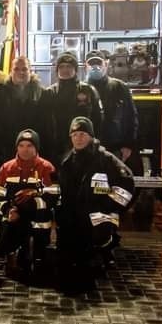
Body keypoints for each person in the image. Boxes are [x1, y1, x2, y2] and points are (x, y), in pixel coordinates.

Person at [57, 117, 135, 291]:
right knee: (67, 254)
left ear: (91, 136)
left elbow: (127, 181)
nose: (78, 138)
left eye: (83, 134)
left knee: (98, 239)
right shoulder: (67, 160)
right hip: (76, 215)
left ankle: (106, 248)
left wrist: (110, 207)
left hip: (99, 213)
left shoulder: (105, 159)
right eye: (75, 134)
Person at [0, 129, 56, 278]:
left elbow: (54, 197)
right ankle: (14, 248)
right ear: (16, 147)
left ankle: (36, 250)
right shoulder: (6, 169)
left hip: (38, 219)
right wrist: (8, 211)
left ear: (36, 148)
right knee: (1, 247)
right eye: (21, 145)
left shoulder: (48, 168)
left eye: (29, 146)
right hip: (15, 217)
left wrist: (33, 201)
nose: (25, 150)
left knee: (39, 262)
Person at [0, 56, 49, 187]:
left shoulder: (42, 95)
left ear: (31, 71)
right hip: (4, 155)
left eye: (24, 69)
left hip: (35, 157)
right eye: (16, 69)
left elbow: (49, 127)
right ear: (11, 72)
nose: (21, 72)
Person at [85, 50, 143, 175]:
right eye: (92, 63)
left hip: (115, 148)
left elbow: (131, 118)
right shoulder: (82, 89)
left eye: (99, 63)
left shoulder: (120, 87)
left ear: (106, 64)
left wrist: (128, 145)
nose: (96, 67)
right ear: (86, 66)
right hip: (89, 150)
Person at [46, 52, 103, 166]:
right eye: (61, 66)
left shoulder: (88, 90)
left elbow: (99, 119)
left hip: (84, 147)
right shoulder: (49, 93)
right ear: (57, 70)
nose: (65, 70)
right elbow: (44, 122)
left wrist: (95, 143)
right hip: (56, 148)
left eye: (69, 66)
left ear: (76, 69)